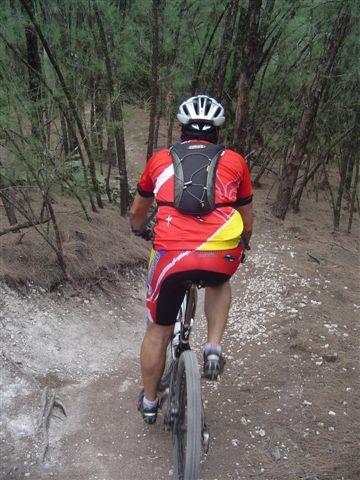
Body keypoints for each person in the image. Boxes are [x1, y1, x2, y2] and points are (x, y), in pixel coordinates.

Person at [130, 95, 253, 424]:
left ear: (182, 129)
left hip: (170, 255)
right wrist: (244, 242)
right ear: (217, 132)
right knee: (220, 280)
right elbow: (246, 215)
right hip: (220, 252)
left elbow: (137, 212)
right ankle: (213, 346)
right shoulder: (235, 162)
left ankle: (151, 401)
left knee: (158, 329)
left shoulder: (159, 161)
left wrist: (139, 230)